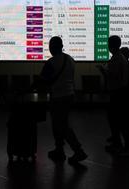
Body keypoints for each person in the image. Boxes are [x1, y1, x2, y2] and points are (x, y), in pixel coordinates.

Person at [39, 36, 87, 164]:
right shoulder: (70, 59)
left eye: (50, 46)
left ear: (53, 47)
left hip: (58, 97)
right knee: (59, 123)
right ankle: (59, 149)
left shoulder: (51, 62)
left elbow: (42, 80)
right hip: (69, 95)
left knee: (61, 125)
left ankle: (78, 150)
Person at [97, 36, 129, 156]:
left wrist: (103, 70)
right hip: (120, 93)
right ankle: (118, 145)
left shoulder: (116, 59)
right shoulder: (120, 58)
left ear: (111, 45)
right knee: (117, 120)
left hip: (118, 93)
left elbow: (112, 76)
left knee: (119, 121)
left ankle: (127, 147)